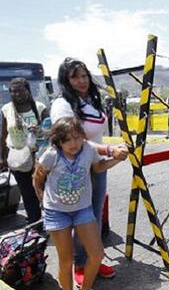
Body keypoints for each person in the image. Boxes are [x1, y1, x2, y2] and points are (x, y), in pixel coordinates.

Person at [50, 57, 128, 287]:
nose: (82, 80)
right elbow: (73, 140)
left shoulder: (90, 100)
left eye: (84, 75)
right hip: (75, 171)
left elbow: (95, 135)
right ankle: (80, 264)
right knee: (80, 217)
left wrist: (108, 151)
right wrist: (108, 149)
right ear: (66, 79)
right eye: (75, 76)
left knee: (93, 215)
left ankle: (90, 258)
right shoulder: (62, 105)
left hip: (97, 166)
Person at [33, 116, 124, 290]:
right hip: (57, 212)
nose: (73, 143)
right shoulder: (52, 155)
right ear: (59, 141)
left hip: (82, 209)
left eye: (76, 137)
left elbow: (97, 168)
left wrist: (117, 159)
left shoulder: (88, 150)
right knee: (66, 262)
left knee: (96, 255)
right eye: (67, 140)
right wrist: (42, 201)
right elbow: (37, 178)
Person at [0, 77, 48, 224]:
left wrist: (40, 130)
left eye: (20, 91)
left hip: (40, 158)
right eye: (13, 92)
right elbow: (3, 135)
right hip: (18, 159)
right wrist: (2, 158)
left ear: (28, 91)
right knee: (27, 194)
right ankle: (35, 223)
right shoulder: (6, 109)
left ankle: (52, 222)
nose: (17, 94)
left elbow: (52, 131)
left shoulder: (40, 108)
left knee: (43, 191)